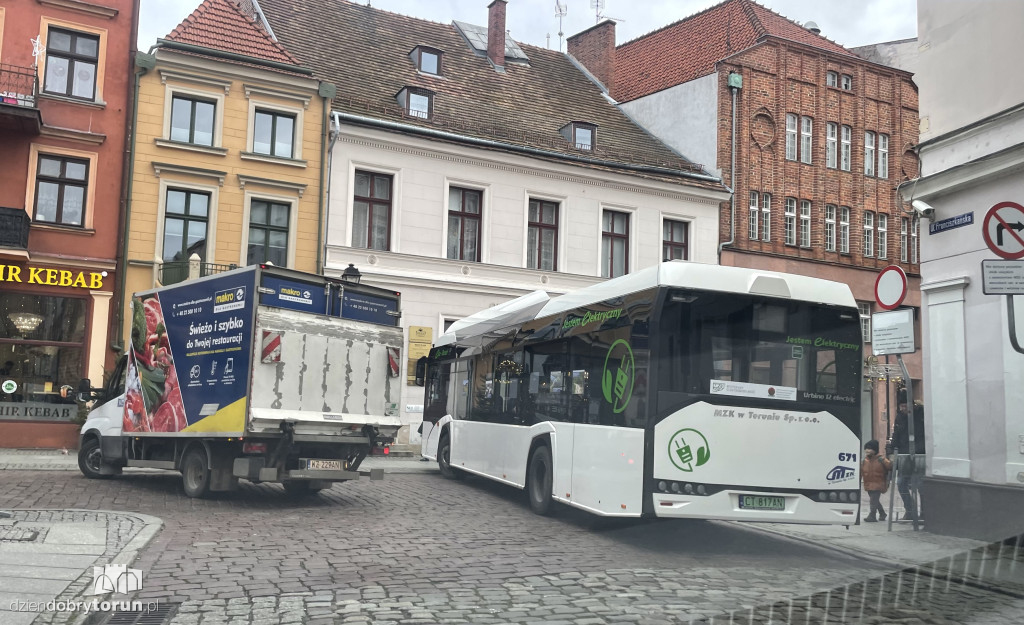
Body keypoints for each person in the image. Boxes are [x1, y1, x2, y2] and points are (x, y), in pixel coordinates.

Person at [891, 395, 925, 521]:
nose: (903, 409)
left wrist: (917, 450)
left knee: (921, 485)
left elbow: (924, 436)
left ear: (912, 405)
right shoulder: (900, 417)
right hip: (904, 456)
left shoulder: (921, 415)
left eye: (905, 406)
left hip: (919, 456)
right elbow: (896, 434)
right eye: (901, 406)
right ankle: (910, 510)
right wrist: (891, 448)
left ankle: (924, 512)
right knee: (901, 483)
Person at [861, 439, 892, 522]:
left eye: (870, 448)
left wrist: (890, 457)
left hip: (878, 483)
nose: (867, 450)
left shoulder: (881, 459)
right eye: (866, 448)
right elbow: (862, 472)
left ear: (875, 450)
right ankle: (882, 513)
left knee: (873, 500)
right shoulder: (865, 461)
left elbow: (890, 466)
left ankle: (872, 515)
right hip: (868, 484)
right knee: (874, 500)